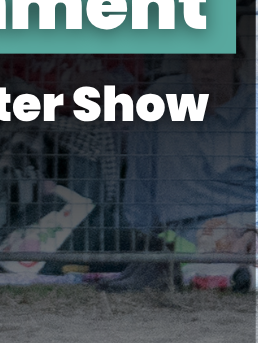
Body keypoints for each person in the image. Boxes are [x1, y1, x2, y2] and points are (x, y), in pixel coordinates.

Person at [107, 50, 255, 291]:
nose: (205, 67)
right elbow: (140, 174)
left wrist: (252, 228)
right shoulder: (162, 96)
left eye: (216, 57)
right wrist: (145, 242)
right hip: (192, 228)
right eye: (196, 57)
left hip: (250, 216)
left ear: (238, 61)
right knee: (219, 244)